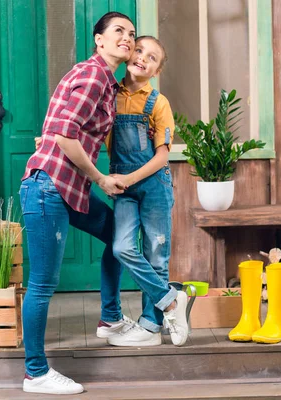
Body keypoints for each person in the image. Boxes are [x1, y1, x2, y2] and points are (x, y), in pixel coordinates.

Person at [20, 12, 136, 395]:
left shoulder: (102, 79)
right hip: (48, 189)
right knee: (42, 284)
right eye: (119, 31)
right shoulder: (93, 76)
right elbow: (66, 135)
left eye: (132, 34)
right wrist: (101, 179)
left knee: (119, 237)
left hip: (66, 189)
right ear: (99, 40)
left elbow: (58, 127)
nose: (127, 38)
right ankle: (35, 373)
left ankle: (109, 319)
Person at [105, 35, 189, 348]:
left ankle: (151, 326)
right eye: (139, 50)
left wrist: (127, 178)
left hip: (153, 185)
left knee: (156, 255)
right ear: (128, 53)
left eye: (152, 57)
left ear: (155, 71)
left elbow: (162, 156)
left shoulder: (158, 103)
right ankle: (171, 300)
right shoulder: (109, 96)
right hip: (124, 188)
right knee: (122, 247)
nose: (143, 58)